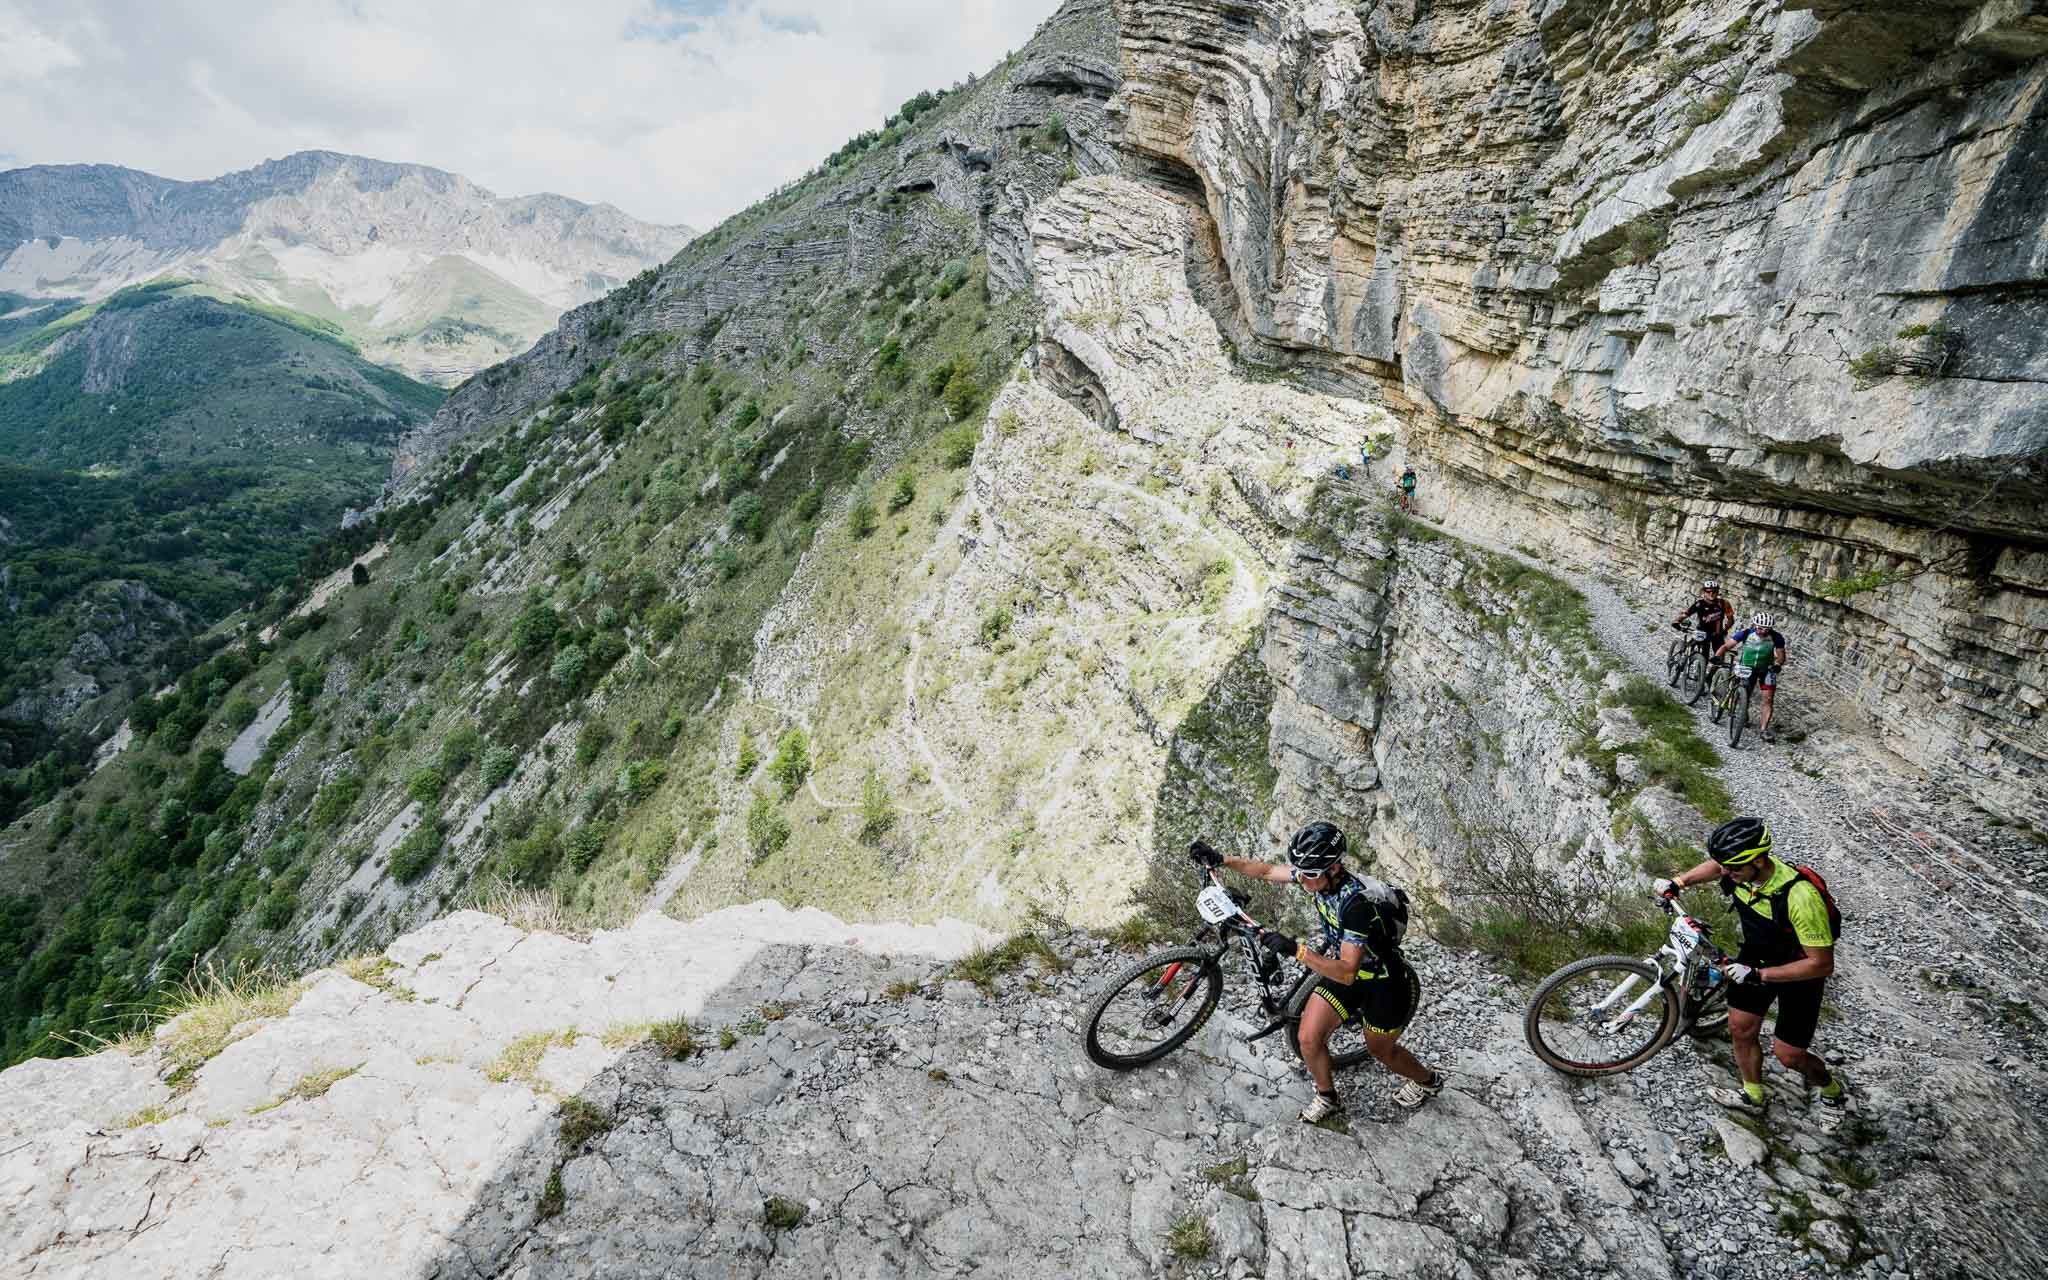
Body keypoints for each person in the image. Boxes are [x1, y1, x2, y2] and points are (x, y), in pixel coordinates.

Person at [1190, 822, 1443, 1122]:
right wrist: (1222, 860)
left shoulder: (1355, 906)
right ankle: (1328, 1097)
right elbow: (1269, 871)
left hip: (1383, 983)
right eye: (1302, 872)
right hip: (1345, 973)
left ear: (1334, 868)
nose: (1303, 880)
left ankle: (1428, 1081)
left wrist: (1296, 950)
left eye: (1310, 875)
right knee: (1308, 1039)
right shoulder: (1315, 874)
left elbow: (1348, 972)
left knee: (1382, 1052)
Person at [1654, 817, 1849, 1127]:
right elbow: (1716, 866)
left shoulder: (1799, 897)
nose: (1726, 874)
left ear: (1759, 860)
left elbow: (1821, 964)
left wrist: (1760, 976)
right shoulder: (1739, 870)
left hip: (1799, 975)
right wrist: (1680, 882)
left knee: (1789, 1056)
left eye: (1733, 869)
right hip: (1754, 958)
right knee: (1741, 1029)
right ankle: (1753, 1095)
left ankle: (1831, 1090)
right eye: (1725, 867)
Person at [1716, 612, 1789, 742]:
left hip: (1766, 670)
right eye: (1760, 628)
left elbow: (1781, 656)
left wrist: (1777, 664)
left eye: (1767, 629)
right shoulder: (1746, 633)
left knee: (1768, 699)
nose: (1763, 631)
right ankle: (1743, 714)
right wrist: (1717, 655)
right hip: (1747, 668)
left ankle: (1763, 730)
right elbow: (1727, 646)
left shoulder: (1776, 637)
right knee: (1745, 693)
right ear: (1755, 625)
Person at [1671, 579, 1735, 654]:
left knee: (1719, 657)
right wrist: (1677, 621)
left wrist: (1725, 629)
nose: (1711, 594)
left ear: (1717, 592)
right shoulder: (1699, 604)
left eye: (1714, 592)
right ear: (1704, 592)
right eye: (1708, 591)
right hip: (1702, 632)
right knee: (1704, 654)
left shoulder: (1724, 603)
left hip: (1717, 634)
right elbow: (1686, 614)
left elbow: (1731, 619)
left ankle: (1714, 665)